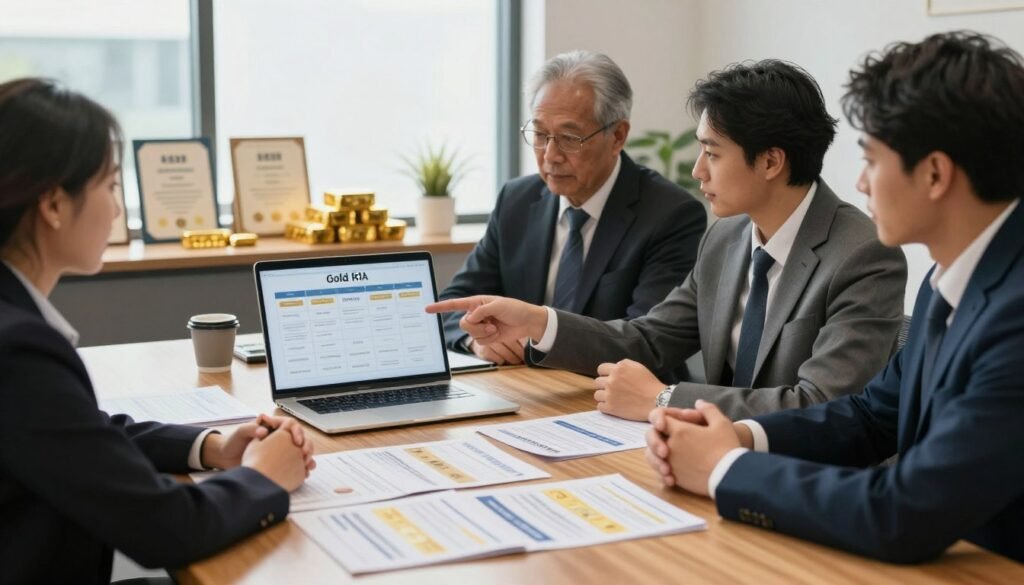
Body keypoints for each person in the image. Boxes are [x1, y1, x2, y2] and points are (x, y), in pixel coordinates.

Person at [644, 31, 1024, 564]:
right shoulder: (952, 274)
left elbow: (906, 511)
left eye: (872, 161)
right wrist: (739, 436)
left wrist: (724, 470)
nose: (862, 184)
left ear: (935, 173)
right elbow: (872, 417)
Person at [428, 60, 907, 422]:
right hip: (704, 457)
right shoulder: (728, 237)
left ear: (770, 162)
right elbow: (648, 340)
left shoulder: (862, 254)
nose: (697, 170)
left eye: (711, 153)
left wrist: (662, 398)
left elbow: (821, 404)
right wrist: (539, 323)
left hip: (796, 474)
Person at [0, 78, 316, 583]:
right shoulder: (18, 349)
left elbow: (78, 435)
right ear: (54, 205)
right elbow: (166, 527)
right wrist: (264, 477)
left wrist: (212, 446)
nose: (119, 208)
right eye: (110, 187)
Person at [440, 50, 706, 366]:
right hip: (521, 387)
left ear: (617, 136)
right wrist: (476, 341)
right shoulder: (517, 200)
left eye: (568, 138)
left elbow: (644, 341)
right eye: (539, 135)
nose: (550, 155)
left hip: (612, 396)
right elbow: (451, 305)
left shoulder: (670, 214)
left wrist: (540, 331)